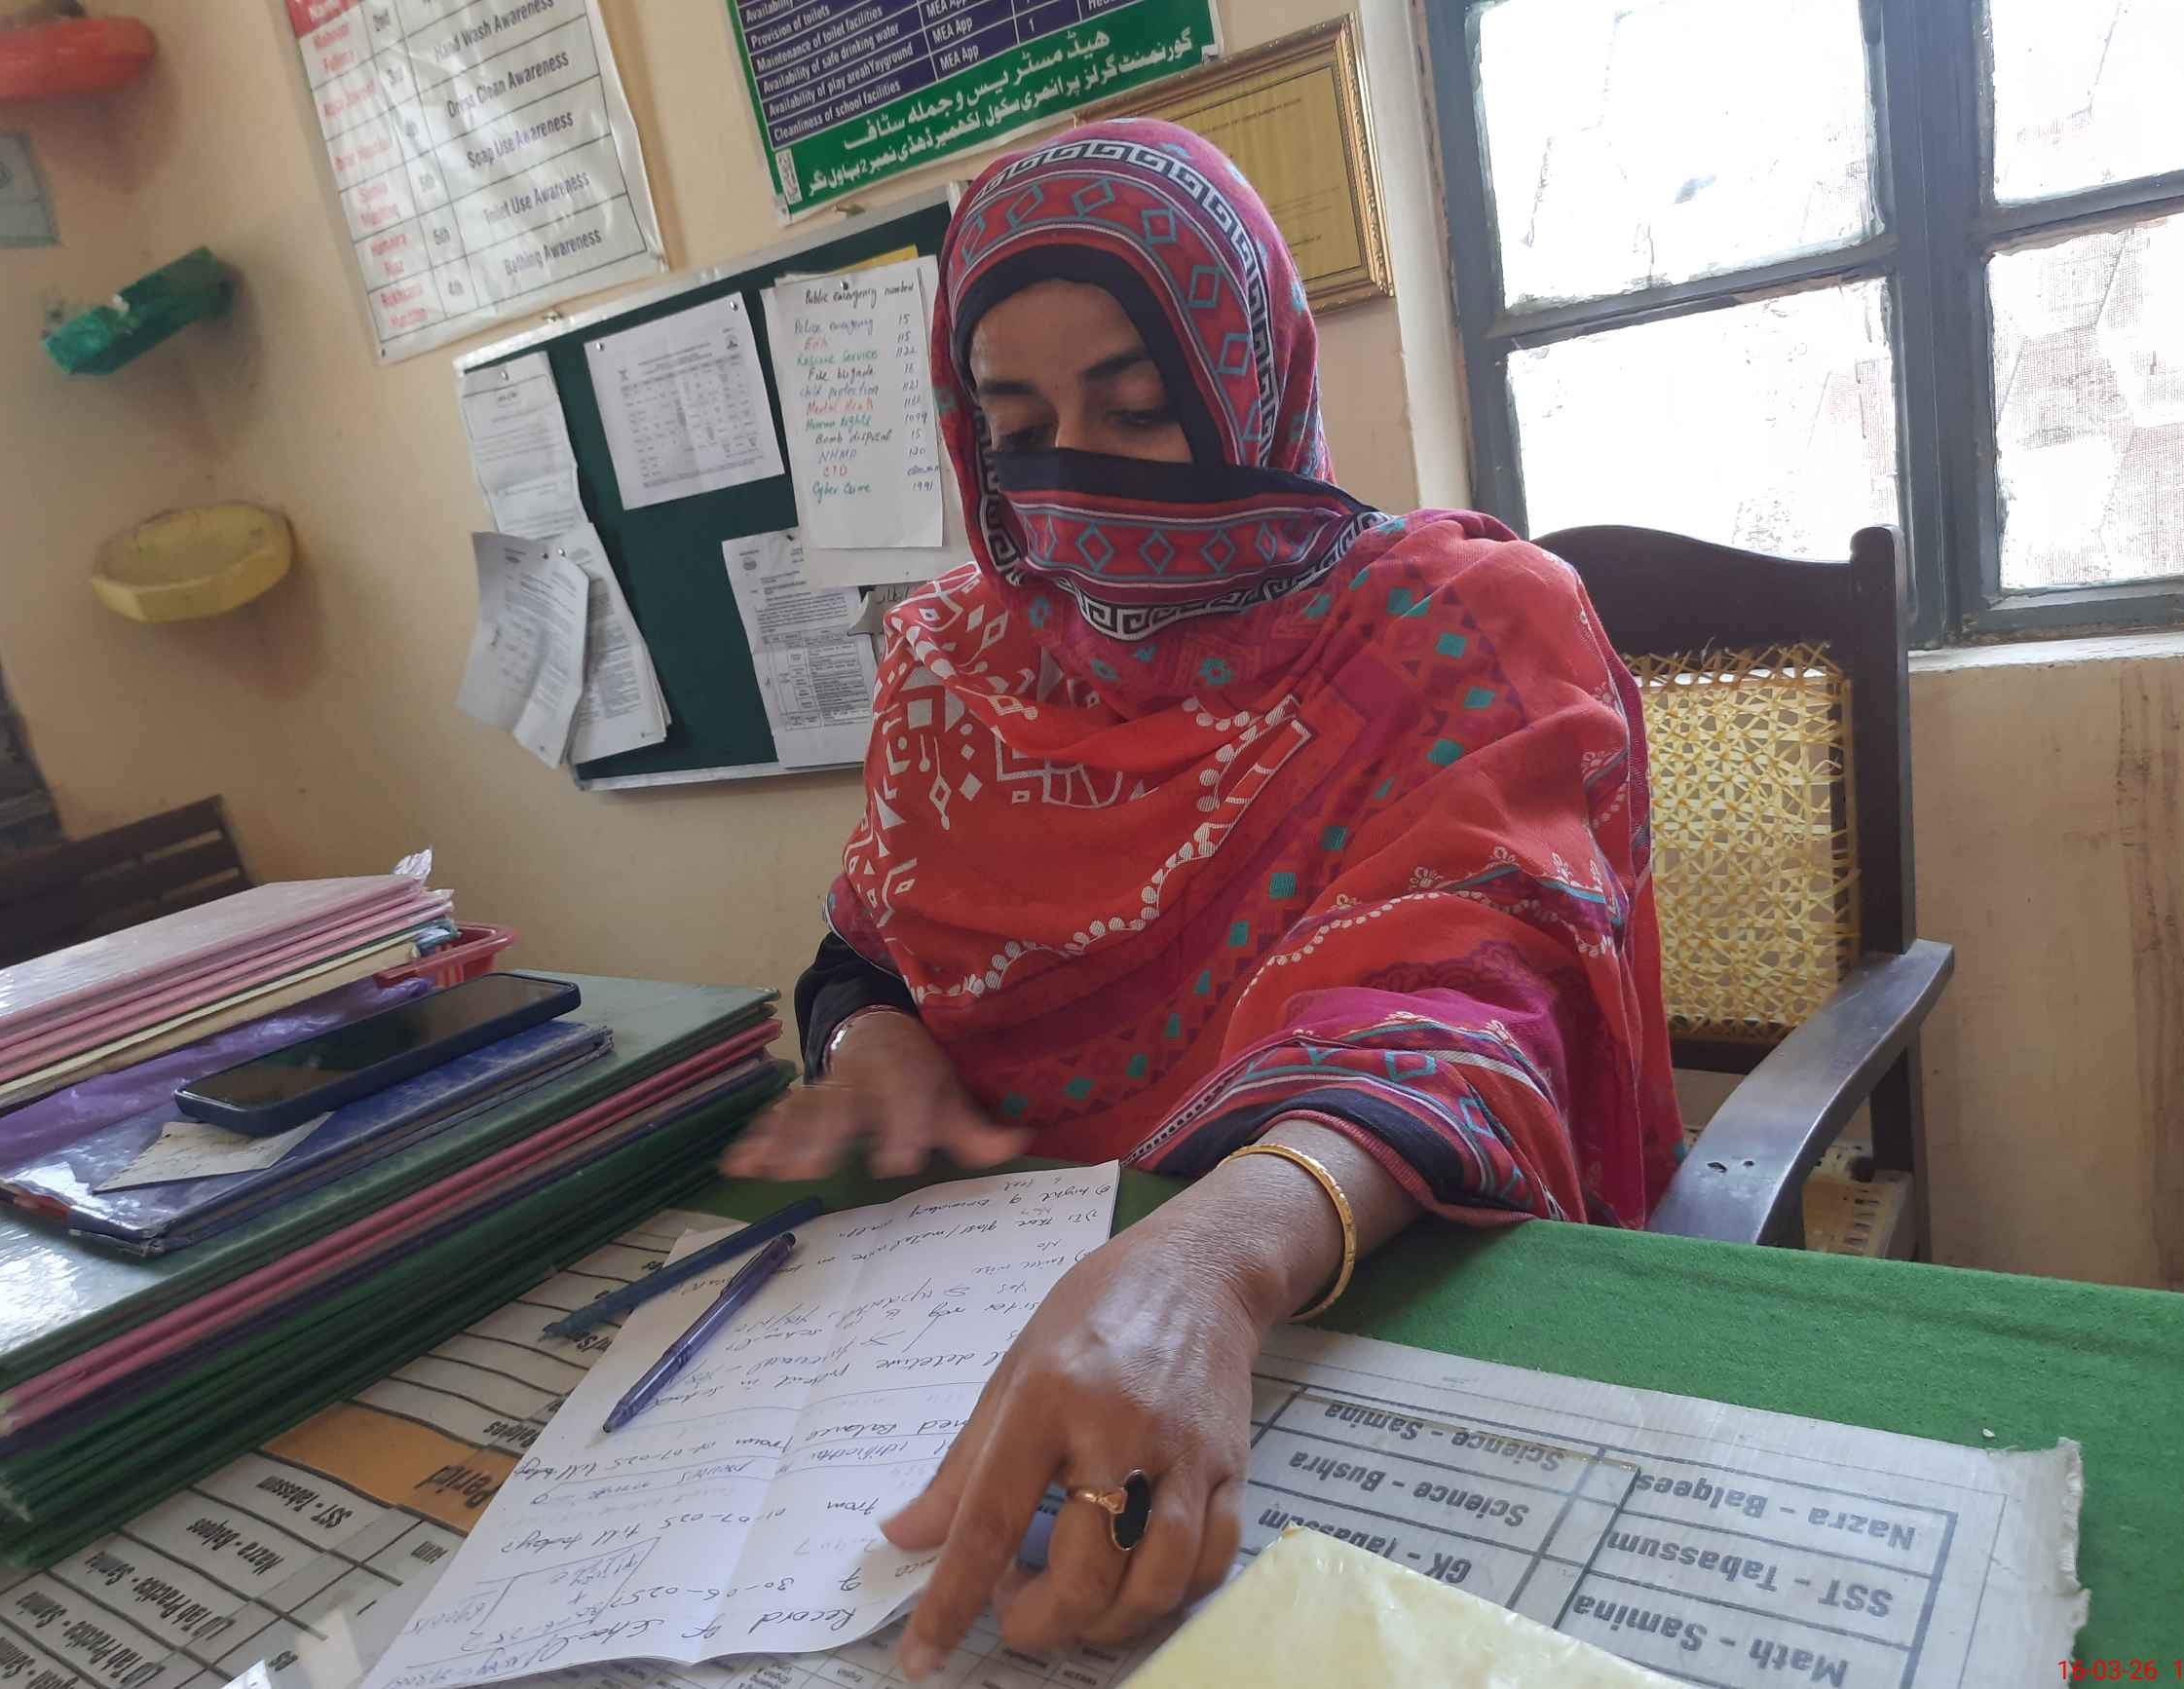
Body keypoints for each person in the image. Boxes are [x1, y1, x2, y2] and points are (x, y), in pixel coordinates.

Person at [721, 118, 1683, 1678]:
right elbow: (869, 946)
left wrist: (1211, 1261)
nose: (1075, 475)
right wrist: (864, 1040)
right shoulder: (954, 662)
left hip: (1367, 1261)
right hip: (985, 1314)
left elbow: (1475, 995)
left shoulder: (1464, 629)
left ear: (1251, 379)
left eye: (1139, 408)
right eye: (1016, 424)